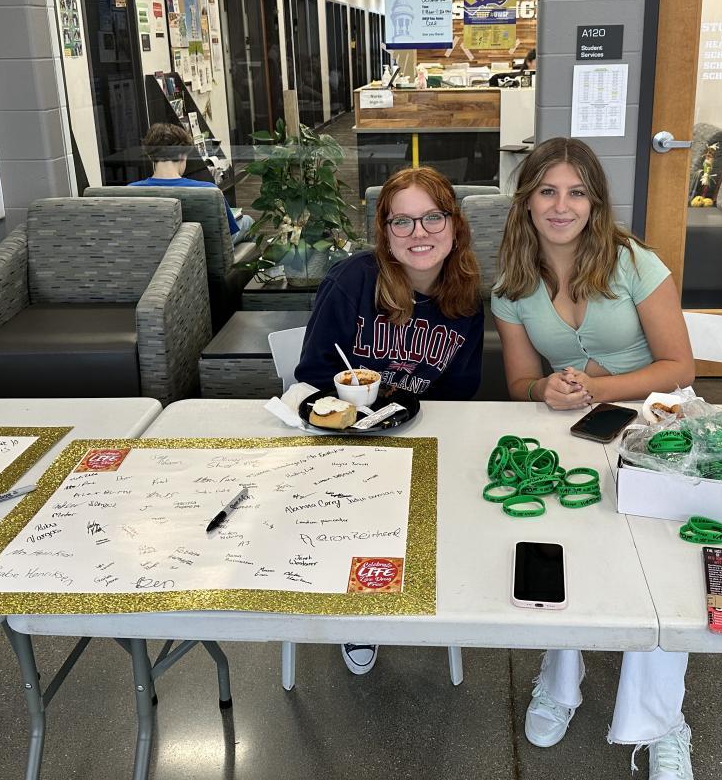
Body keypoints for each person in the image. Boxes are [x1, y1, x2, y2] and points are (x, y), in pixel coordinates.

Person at [491, 137, 697, 780]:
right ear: (526, 201)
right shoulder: (512, 284)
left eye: (577, 192)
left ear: (595, 202)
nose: (562, 206)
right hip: (572, 428)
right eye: (548, 191)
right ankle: (560, 680)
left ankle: (662, 720)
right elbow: (520, 383)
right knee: (560, 542)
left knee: (662, 565)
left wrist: (601, 388)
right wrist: (544, 390)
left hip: (656, 425)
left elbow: (680, 368)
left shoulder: (633, 262)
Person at [296, 166, 485, 674]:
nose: (418, 233)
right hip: (346, 442)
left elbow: (460, 392)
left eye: (432, 218)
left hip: (422, 434)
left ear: (455, 225)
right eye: (402, 221)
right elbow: (312, 375)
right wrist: (356, 412)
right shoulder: (352, 281)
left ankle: (432, 584)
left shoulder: (465, 296)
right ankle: (359, 610)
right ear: (385, 231)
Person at [130, 122, 251, 242]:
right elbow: (227, 231)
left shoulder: (130, 191)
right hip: (204, 249)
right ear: (183, 155)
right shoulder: (208, 191)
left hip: (156, 249)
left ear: (150, 156)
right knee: (248, 221)